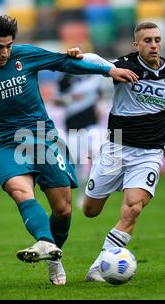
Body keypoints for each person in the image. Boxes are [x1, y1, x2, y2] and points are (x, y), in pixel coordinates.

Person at [0, 15, 138, 286]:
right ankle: (45, 242)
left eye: (9, 46)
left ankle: (53, 256)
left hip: (43, 139)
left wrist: (107, 71)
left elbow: (63, 62)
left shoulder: (26, 55)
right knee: (19, 191)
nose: (5, 53)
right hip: (8, 144)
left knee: (63, 210)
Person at [67, 22, 165, 282]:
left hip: (149, 153)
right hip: (116, 148)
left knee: (133, 208)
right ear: (136, 45)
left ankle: (100, 265)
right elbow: (97, 60)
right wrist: (79, 55)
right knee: (90, 210)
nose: (153, 45)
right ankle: (104, 257)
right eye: (147, 41)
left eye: (157, 40)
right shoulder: (125, 66)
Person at [52, 72, 103, 209]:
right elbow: (56, 100)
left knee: (98, 155)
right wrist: (71, 98)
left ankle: (96, 192)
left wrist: (98, 106)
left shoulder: (91, 75)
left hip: (92, 124)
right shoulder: (65, 78)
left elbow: (99, 95)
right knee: (78, 163)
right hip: (73, 127)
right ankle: (82, 194)